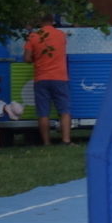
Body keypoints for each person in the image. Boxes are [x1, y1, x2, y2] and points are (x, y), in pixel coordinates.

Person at [24, 15, 72, 146]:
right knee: (64, 110)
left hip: (41, 78)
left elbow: (27, 58)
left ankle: (46, 142)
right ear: (52, 21)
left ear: (40, 22)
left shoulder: (33, 36)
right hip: (60, 77)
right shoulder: (61, 35)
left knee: (43, 112)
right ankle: (66, 140)